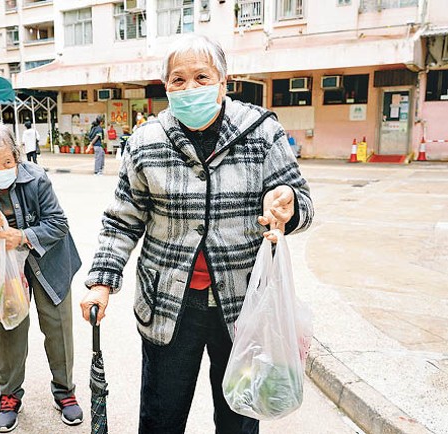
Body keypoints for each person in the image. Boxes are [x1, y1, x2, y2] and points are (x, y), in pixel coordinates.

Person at [79, 34, 314, 434]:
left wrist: (288, 203)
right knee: (161, 413)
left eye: (202, 77)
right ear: (166, 86)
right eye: (178, 80)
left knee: (239, 414)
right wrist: (101, 282)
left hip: (242, 305)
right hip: (168, 302)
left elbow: (302, 204)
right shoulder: (146, 142)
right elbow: (122, 220)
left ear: (224, 83)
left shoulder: (261, 132)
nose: (190, 89)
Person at [0, 118, 84, 433]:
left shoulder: (36, 178)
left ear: (17, 156)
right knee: (9, 329)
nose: (1, 168)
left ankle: (65, 391)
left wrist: (23, 236)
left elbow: (58, 222)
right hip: (6, 273)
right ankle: (9, 396)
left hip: (49, 261)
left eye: (7, 161)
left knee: (58, 328)